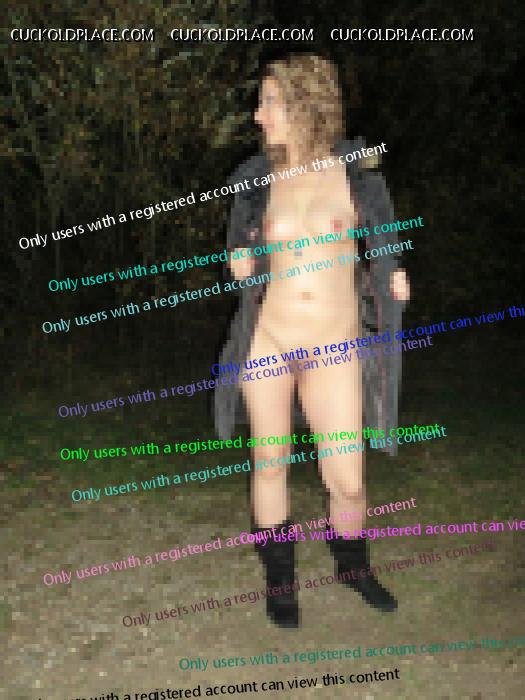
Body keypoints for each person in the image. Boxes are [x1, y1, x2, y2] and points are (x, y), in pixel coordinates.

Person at [214, 53, 410, 628]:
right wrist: (238, 260)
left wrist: (395, 276)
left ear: (305, 103)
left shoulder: (359, 176)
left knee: (347, 479)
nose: (258, 115)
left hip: (334, 346)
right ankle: (280, 582)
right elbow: (239, 251)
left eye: (269, 102)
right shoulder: (255, 181)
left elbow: (387, 248)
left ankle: (353, 566)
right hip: (269, 340)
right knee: (269, 462)